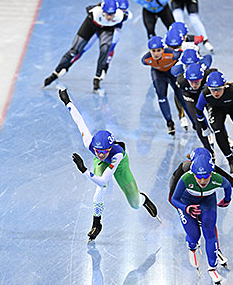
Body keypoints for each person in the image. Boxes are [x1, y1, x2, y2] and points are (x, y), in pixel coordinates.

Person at [58, 87, 160, 240]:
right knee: (99, 191)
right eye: (98, 151)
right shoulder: (89, 143)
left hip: (120, 166)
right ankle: (96, 223)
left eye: (104, 151)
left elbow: (104, 179)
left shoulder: (117, 155)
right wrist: (67, 101)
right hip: (103, 165)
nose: (100, 154)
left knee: (135, 204)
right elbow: (79, 121)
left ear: (110, 148)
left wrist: (84, 170)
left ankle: (143, 198)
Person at [169, 146, 232, 285]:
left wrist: (227, 200)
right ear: (193, 173)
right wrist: (186, 208)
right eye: (199, 177)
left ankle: (212, 268)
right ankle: (191, 246)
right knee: (194, 235)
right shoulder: (185, 177)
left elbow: (228, 186)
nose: (203, 181)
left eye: (206, 176)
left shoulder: (217, 178)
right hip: (187, 201)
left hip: (207, 202)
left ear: (212, 172)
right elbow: (174, 199)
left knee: (210, 232)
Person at [43, 0, 130, 93]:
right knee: (75, 50)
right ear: (102, 10)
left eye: (112, 14)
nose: (109, 17)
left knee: (105, 50)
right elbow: (88, 8)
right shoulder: (94, 11)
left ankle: (97, 78)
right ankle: (56, 72)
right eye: (107, 14)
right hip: (92, 25)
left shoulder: (121, 16)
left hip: (107, 29)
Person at [141, 33, 191, 136]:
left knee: (181, 97)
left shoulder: (172, 54)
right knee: (161, 96)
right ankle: (169, 122)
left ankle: (194, 122)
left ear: (163, 49)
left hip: (172, 73)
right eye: (153, 51)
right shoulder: (146, 59)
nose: (156, 54)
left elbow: (183, 55)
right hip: (159, 74)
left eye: (159, 50)